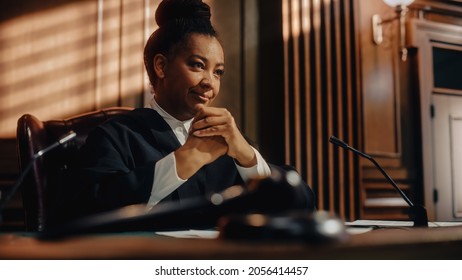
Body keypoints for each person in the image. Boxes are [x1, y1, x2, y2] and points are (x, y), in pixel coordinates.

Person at [60, 0, 314, 223]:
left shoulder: (228, 141)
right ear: (161, 66)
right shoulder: (115, 136)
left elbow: (301, 205)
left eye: (218, 72)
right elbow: (90, 213)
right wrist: (186, 159)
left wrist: (248, 157)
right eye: (197, 65)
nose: (209, 82)